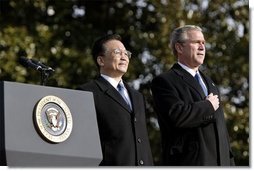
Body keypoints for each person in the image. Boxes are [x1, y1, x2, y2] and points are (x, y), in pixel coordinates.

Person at [151, 25, 235, 166]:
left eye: (203, 43)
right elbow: (177, 116)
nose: (202, 47)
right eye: (196, 42)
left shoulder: (210, 82)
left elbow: (221, 130)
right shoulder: (165, 81)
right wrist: (207, 106)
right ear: (179, 48)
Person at [77, 34, 153, 166]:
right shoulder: (87, 93)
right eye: (117, 52)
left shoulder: (137, 97)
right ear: (101, 60)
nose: (124, 57)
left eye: (126, 53)